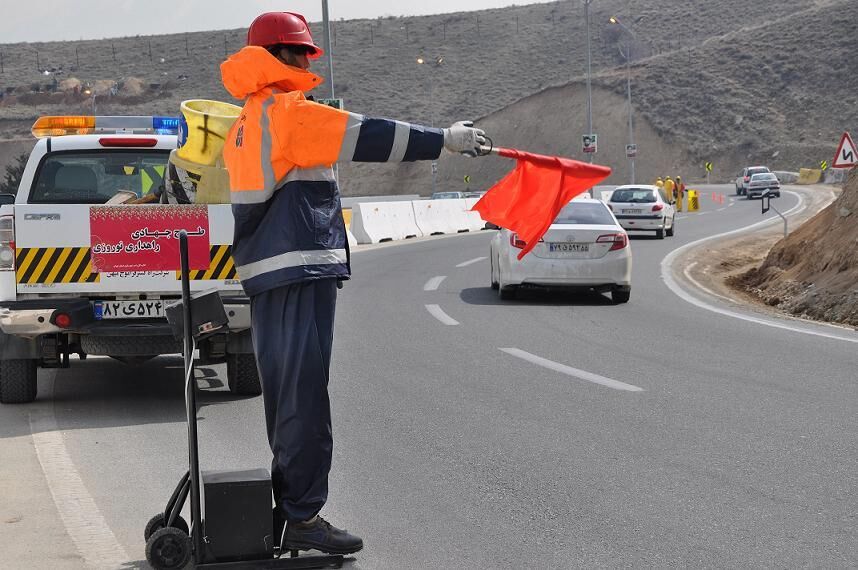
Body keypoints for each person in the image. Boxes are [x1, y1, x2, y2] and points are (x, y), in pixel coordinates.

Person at [220, 11, 486, 557]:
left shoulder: (248, 119)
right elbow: (368, 135)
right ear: (281, 56)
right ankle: (302, 518)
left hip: (272, 275)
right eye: (301, 53)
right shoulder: (287, 111)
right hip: (296, 271)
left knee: (289, 399)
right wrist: (446, 141)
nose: (306, 62)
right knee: (304, 402)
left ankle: (292, 509)